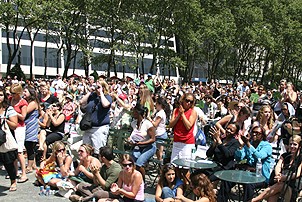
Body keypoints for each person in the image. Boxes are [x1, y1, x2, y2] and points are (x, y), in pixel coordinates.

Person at [217, 125, 273, 201]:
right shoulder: (249, 144)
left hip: (261, 177)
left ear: (262, 135)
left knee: (249, 184)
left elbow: (259, 156)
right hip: (246, 174)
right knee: (227, 180)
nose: (254, 134)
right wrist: (241, 146)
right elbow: (239, 158)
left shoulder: (267, 146)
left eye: (257, 133)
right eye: (253, 132)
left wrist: (248, 144)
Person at [252, 135, 302, 202]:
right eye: (291, 144)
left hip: (293, 186)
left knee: (279, 185)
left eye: (295, 144)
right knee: (271, 199)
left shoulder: (301, 158)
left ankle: (254, 200)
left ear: (299, 146)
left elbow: (297, 174)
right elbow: (278, 166)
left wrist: (284, 177)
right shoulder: (285, 155)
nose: (292, 146)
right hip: (281, 182)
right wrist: (278, 175)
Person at [169, 93, 197, 186]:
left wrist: (183, 115)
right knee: (175, 167)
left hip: (187, 143)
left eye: (191, 101)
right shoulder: (176, 110)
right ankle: (177, 186)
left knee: (185, 169)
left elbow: (188, 126)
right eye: (187, 100)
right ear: (183, 100)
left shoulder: (193, 112)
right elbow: (170, 124)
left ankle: (187, 188)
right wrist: (178, 115)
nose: (188, 103)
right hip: (177, 141)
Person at [79, 80, 112, 155]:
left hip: (99, 128)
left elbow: (105, 104)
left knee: (98, 152)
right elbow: (81, 102)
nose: (96, 88)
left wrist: (101, 93)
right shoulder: (92, 96)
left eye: (99, 86)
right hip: (89, 127)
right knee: (86, 151)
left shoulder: (107, 97)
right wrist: (90, 92)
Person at [129, 103, 156, 180]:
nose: (133, 114)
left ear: (138, 113)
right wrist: (130, 140)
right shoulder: (133, 123)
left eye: (134, 112)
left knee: (138, 164)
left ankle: (142, 182)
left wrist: (141, 143)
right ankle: (133, 179)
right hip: (138, 146)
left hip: (149, 147)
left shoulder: (148, 124)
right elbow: (132, 135)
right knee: (131, 162)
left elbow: (153, 139)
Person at [0, 87, 18, 191]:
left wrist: (4, 120)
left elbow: (14, 125)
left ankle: (13, 181)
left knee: (8, 162)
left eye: (1, 95)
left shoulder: (9, 109)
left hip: (5, 139)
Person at [10, 83, 28, 183]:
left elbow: (23, 117)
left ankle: (24, 173)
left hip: (20, 128)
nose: (12, 95)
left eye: (14, 93)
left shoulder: (23, 102)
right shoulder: (10, 99)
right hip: (11, 126)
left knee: (19, 151)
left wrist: (13, 111)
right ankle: (15, 171)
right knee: (12, 150)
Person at [23, 85, 40, 173]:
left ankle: (29, 167)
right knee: (28, 145)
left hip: (31, 127)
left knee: (29, 145)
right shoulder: (27, 102)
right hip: (27, 125)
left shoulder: (33, 103)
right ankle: (32, 164)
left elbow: (24, 113)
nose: (23, 93)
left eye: (25, 92)